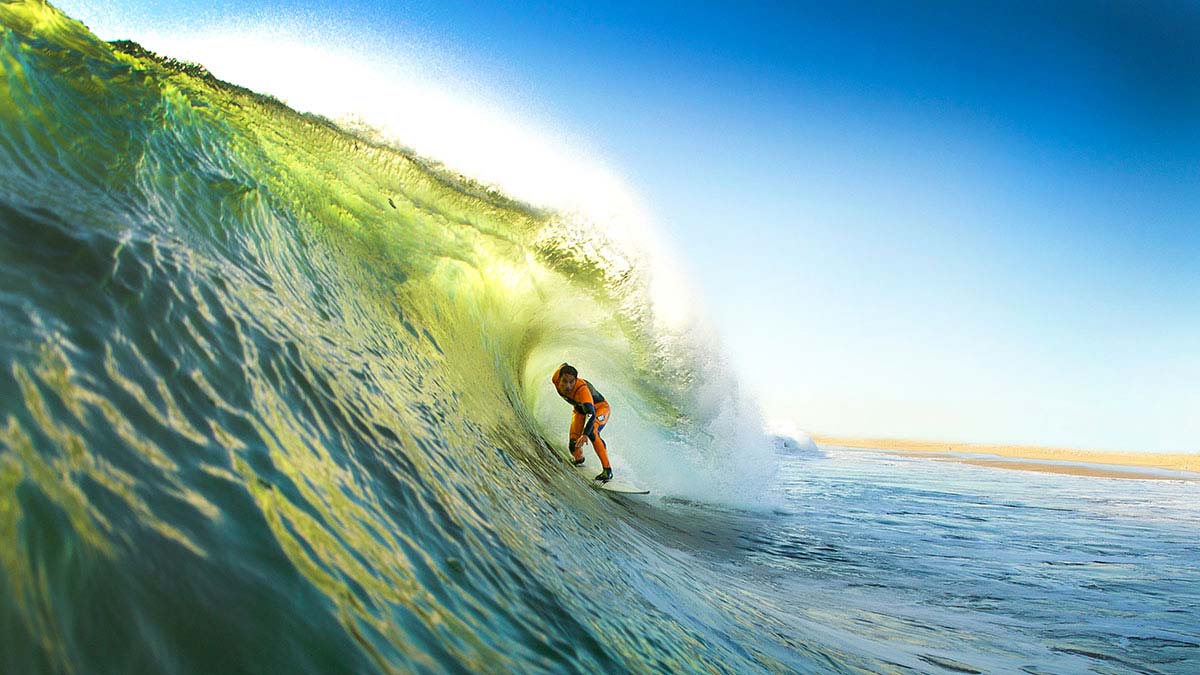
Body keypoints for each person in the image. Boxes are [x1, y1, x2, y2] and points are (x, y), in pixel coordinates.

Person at [551, 363, 613, 482]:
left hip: (599, 409)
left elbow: (591, 414)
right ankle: (579, 459)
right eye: (564, 381)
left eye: (571, 382)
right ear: (559, 379)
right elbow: (563, 365)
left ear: (575, 381)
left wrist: (584, 435)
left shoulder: (582, 390)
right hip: (579, 411)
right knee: (573, 446)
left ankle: (607, 470)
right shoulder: (555, 378)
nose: (568, 386)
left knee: (592, 432)